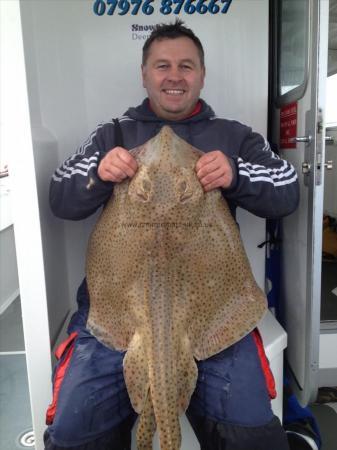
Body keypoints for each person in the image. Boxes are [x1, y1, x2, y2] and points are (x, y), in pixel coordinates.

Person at [45, 20, 298, 450]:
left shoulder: (234, 137)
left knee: (249, 433)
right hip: (119, 310)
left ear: (202, 74)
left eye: (186, 65)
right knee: (73, 433)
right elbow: (60, 198)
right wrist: (98, 172)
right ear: (144, 74)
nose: (174, 76)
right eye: (162, 66)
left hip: (213, 309)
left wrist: (236, 175)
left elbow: (287, 189)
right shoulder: (113, 134)